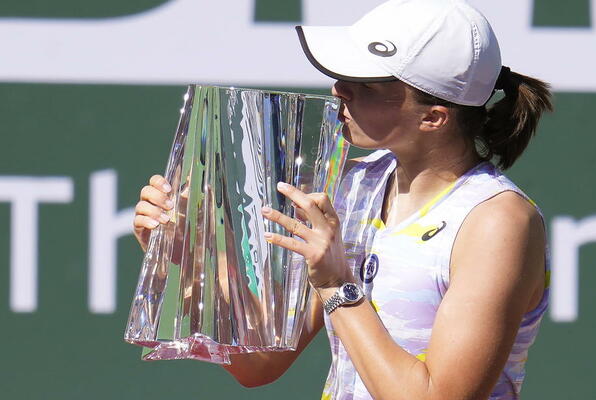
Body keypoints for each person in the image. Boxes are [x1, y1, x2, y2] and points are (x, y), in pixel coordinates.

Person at [133, 0, 553, 398]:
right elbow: (259, 363)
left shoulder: (497, 221)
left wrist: (336, 284)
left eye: (365, 85)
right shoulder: (352, 186)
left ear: (433, 117)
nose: (339, 90)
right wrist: (191, 258)